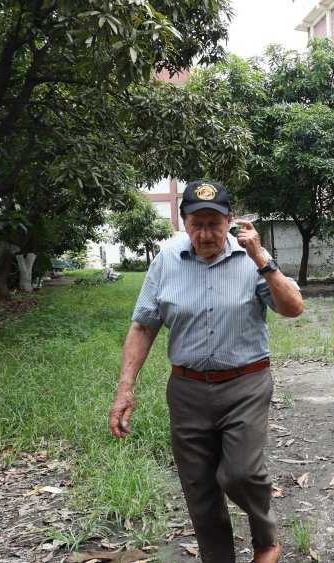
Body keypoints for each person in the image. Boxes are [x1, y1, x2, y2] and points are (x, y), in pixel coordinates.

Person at [108, 180, 304, 563]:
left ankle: (267, 540)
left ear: (230, 220)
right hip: (187, 390)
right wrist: (124, 388)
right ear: (183, 222)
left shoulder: (253, 258)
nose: (205, 233)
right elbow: (143, 325)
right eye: (196, 223)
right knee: (199, 486)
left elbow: (293, 307)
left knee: (240, 473)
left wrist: (262, 259)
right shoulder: (166, 260)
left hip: (245, 384)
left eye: (214, 223)